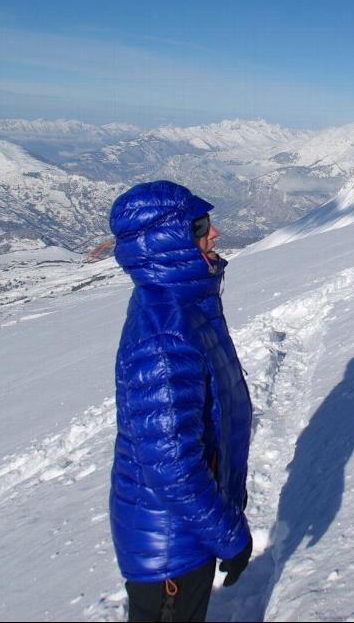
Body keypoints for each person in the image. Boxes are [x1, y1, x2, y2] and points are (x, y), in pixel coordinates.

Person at [109, 180, 254, 622]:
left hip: (181, 533)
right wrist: (230, 535)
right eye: (200, 225)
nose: (213, 234)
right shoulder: (165, 334)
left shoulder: (180, 305)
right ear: (167, 241)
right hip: (170, 551)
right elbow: (173, 467)